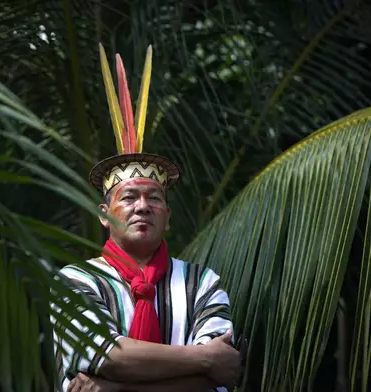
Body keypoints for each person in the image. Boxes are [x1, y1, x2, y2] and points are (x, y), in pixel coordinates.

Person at [51, 43, 243, 392]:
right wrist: (203, 360)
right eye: (129, 197)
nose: (142, 206)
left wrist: (115, 388)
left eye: (154, 198)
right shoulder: (76, 281)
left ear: (167, 218)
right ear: (105, 216)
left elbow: (216, 382)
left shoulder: (203, 283)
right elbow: (104, 355)